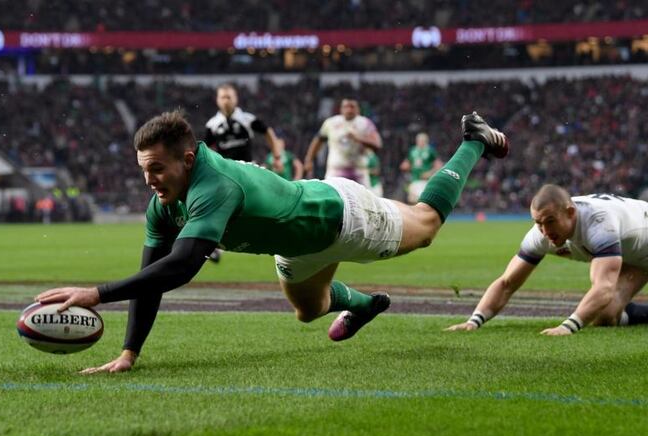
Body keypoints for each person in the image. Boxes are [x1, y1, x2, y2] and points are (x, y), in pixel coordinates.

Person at [36, 110, 509, 374]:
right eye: (143, 170)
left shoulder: (214, 185)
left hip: (338, 217)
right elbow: (152, 278)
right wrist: (128, 354)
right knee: (309, 309)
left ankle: (473, 139)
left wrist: (97, 294)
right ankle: (363, 305)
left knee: (425, 224)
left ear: (187, 157)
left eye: (156, 169)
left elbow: (181, 267)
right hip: (295, 243)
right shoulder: (165, 201)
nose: (149, 180)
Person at [445, 185, 648, 336]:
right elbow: (507, 283)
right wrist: (474, 321)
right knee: (604, 315)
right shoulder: (540, 233)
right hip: (634, 253)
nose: (545, 231)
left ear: (570, 213)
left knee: (601, 297)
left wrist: (567, 327)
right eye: (538, 223)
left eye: (551, 221)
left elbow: (603, 287)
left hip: (641, 243)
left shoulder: (600, 224)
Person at [204, 83, 283, 263]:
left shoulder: (247, 119)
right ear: (217, 100)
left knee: (261, 201)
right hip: (225, 174)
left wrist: (277, 155)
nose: (226, 100)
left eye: (229, 97)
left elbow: (267, 131)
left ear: (236, 98)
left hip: (247, 170)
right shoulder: (212, 124)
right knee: (219, 209)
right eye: (222, 97)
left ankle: (275, 236)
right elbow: (206, 150)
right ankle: (215, 246)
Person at [303, 98, 381, 188]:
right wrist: (309, 159)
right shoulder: (331, 122)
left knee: (362, 201)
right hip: (335, 171)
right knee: (332, 199)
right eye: (346, 106)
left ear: (358, 109)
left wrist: (359, 138)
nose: (349, 110)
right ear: (341, 109)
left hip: (358, 173)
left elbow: (377, 144)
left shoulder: (365, 123)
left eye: (352, 107)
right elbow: (318, 140)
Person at [400, 132, 443, 204]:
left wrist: (430, 173)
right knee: (412, 201)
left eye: (422, 140)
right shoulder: (412, 150)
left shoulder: (430, 151)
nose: (420, 142)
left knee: (423, 202)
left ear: (426, 141)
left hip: (426, 181)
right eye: (419, 140)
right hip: (415, 179)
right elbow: (406, 163)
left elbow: (439, 165)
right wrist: (405, 166)